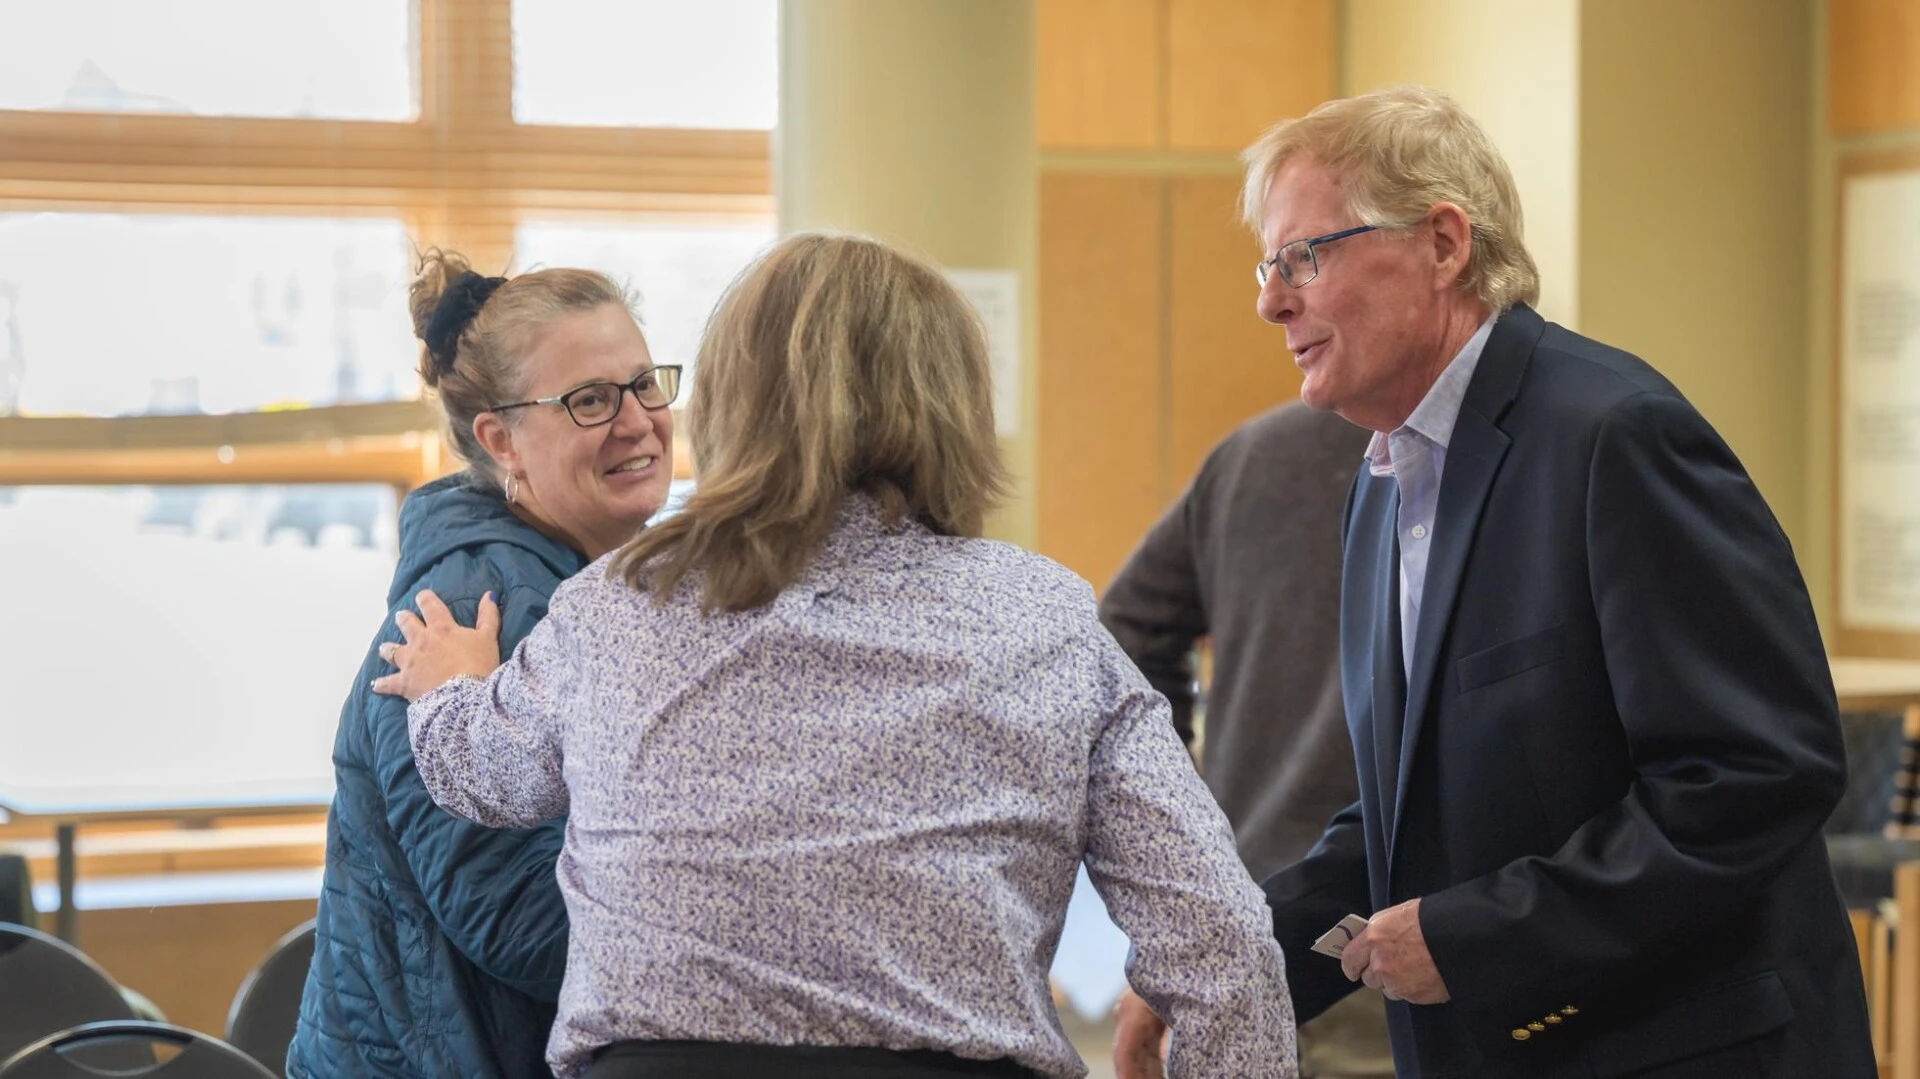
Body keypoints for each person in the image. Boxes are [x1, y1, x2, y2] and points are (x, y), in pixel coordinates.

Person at [371, 233, 1297, 1079]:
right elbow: (1223, 943)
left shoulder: (618, 606)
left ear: (733, 398)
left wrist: (454, 689)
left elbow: (475, 773)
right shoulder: (1043, 618)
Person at [1138, 84, 1872, 1078]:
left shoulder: (1615, 436)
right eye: (1268, 265)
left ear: (1443, 244)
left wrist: (1483, 934)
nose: (1271, 298)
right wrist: (1228, 964)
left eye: (1304, 256)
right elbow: (1403, 826)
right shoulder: (1383, 483)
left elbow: (1755, 773)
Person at [289, 250, 680, 1079]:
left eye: (646, 383)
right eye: (590, 400)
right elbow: (523, 917)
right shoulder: (479, 608)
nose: (638, 420)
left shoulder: (581, 582)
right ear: (502, 440)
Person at [1100, 402, 1390, 1079]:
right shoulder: (1486, 455)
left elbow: (1124, 633)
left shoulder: (1248, 456)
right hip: (1389, 929)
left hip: (1249, 910)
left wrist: (1180, 823)